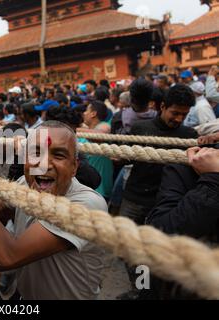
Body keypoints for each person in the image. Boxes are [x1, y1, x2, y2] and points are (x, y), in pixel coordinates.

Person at [0, 121, 107, 299]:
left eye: (58, 155)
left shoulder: (85, 205)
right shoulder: (24, 183)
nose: (44, 164)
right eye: (36, 153)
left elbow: (7, 257)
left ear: (74, 167)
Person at [143, 146, 219, 299]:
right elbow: (161, 232)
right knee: (140, 265)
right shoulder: (190, 166)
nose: (178, 119)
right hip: (169, 284)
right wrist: (213, 181)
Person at [120, 84, 199, 225]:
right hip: (135, 197)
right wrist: (118, 157)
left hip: (166, 202)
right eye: (175, 113)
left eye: (184, 115)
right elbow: (126, 157)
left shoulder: (189, 135)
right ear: (163, 106)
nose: (179, 119)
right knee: (123, 239)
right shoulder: (141, 128)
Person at [77, 101, 114, 199]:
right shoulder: (84, 130)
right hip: (83, 187)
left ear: (93, 113)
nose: (84, 113)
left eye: (87, 110)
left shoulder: (104, 125)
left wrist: (74, 129)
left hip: (98, 190)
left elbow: (102, 134)